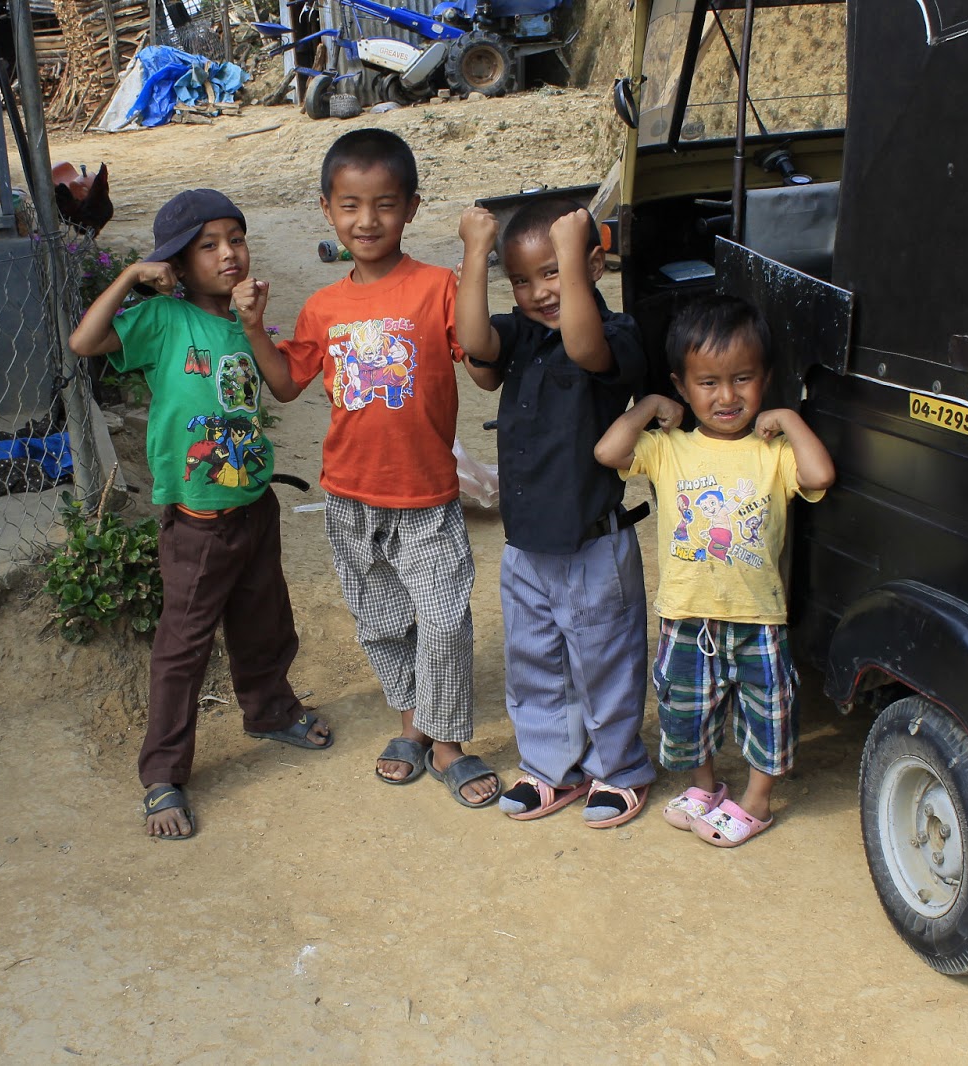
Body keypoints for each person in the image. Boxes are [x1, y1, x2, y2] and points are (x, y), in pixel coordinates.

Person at [232, 128, 501, 809]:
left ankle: (449, 743)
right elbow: (286, 385)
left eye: (384, 203)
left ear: (411, 207)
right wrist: (256, 328)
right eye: (350, 205)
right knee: (383, 622)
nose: (367, 220)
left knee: (443, 621)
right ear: (327, 209)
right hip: (350, 497)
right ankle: (413, 727)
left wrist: (475, 258)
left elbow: (482, 362)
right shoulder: (323, 307)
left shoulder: (438, 288)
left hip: (427, 495)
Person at [69, 188, 332, 841]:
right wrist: (133, 275)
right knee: (182, 647)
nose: (228, 254)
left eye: (235, 240)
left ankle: (270, 711)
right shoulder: (162, 318)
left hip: (254, 506)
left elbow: (280, 387)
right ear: (177, 264)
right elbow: (85, 340)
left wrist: (254, 324)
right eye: (208, 246)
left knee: (265, 622)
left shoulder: (248, 324)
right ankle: (162, 774)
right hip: (197, 522)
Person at [594, 294, 835, 847]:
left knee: (768, 713)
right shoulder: (668, 448)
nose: (727, 397)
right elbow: (609, 452)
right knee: (686, 710)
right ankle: (703, 787)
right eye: (708, 382)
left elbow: (820, 475)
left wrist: (790, 418)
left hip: (757, 618)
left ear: (765, 379)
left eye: (743, 379)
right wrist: (649, 404)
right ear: (682, 385)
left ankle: (756, 802)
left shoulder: (773, 453)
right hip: (686, 616)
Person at [455, 197, 657, 827]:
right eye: (522, 279)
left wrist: (572, 259)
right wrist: (475, 253)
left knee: (605, 664)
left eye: (553, 272)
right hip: (526, 546)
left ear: (592, 266)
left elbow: (583, 345)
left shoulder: (614, 334)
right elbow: (474, 344)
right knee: (535, 663)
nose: (539, 291)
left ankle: (618, 769)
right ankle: (550, 766)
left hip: (593, 545)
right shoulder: (519, 337)